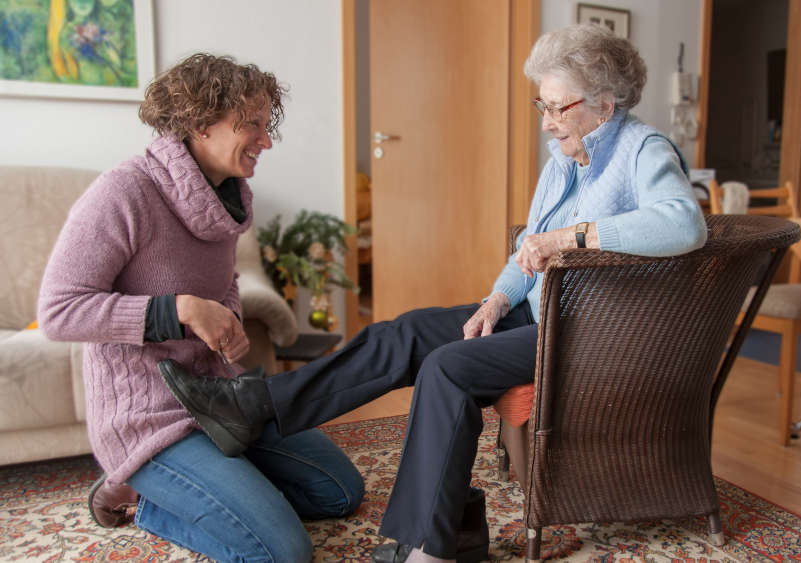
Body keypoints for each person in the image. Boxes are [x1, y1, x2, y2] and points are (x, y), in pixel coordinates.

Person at [158, 25, 707, 563]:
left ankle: (434, 547)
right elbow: (528, 255)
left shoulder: (643, 150)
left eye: (556, 109)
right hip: (538, 314)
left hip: (592, 335)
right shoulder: (564, 159)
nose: (545, 124)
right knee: (406, 333)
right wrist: (496, 300)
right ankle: (254, 408)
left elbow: (684, 225)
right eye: (541, 106)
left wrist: (576, 237)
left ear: (606, 106)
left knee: (448, 367)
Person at [37, 53, 364, 563]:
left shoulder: (226, 199)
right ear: (199, 124)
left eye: (265, 123)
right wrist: (182, 309)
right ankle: (140, 492)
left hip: (217, 400)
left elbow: (225, 283)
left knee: (340, 493)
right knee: (283, 553)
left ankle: (213, 485)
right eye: (252, 125)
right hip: (147, 417)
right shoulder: (124, 193)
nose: (266, 140)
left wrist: (228, 319)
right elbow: (59, 310)